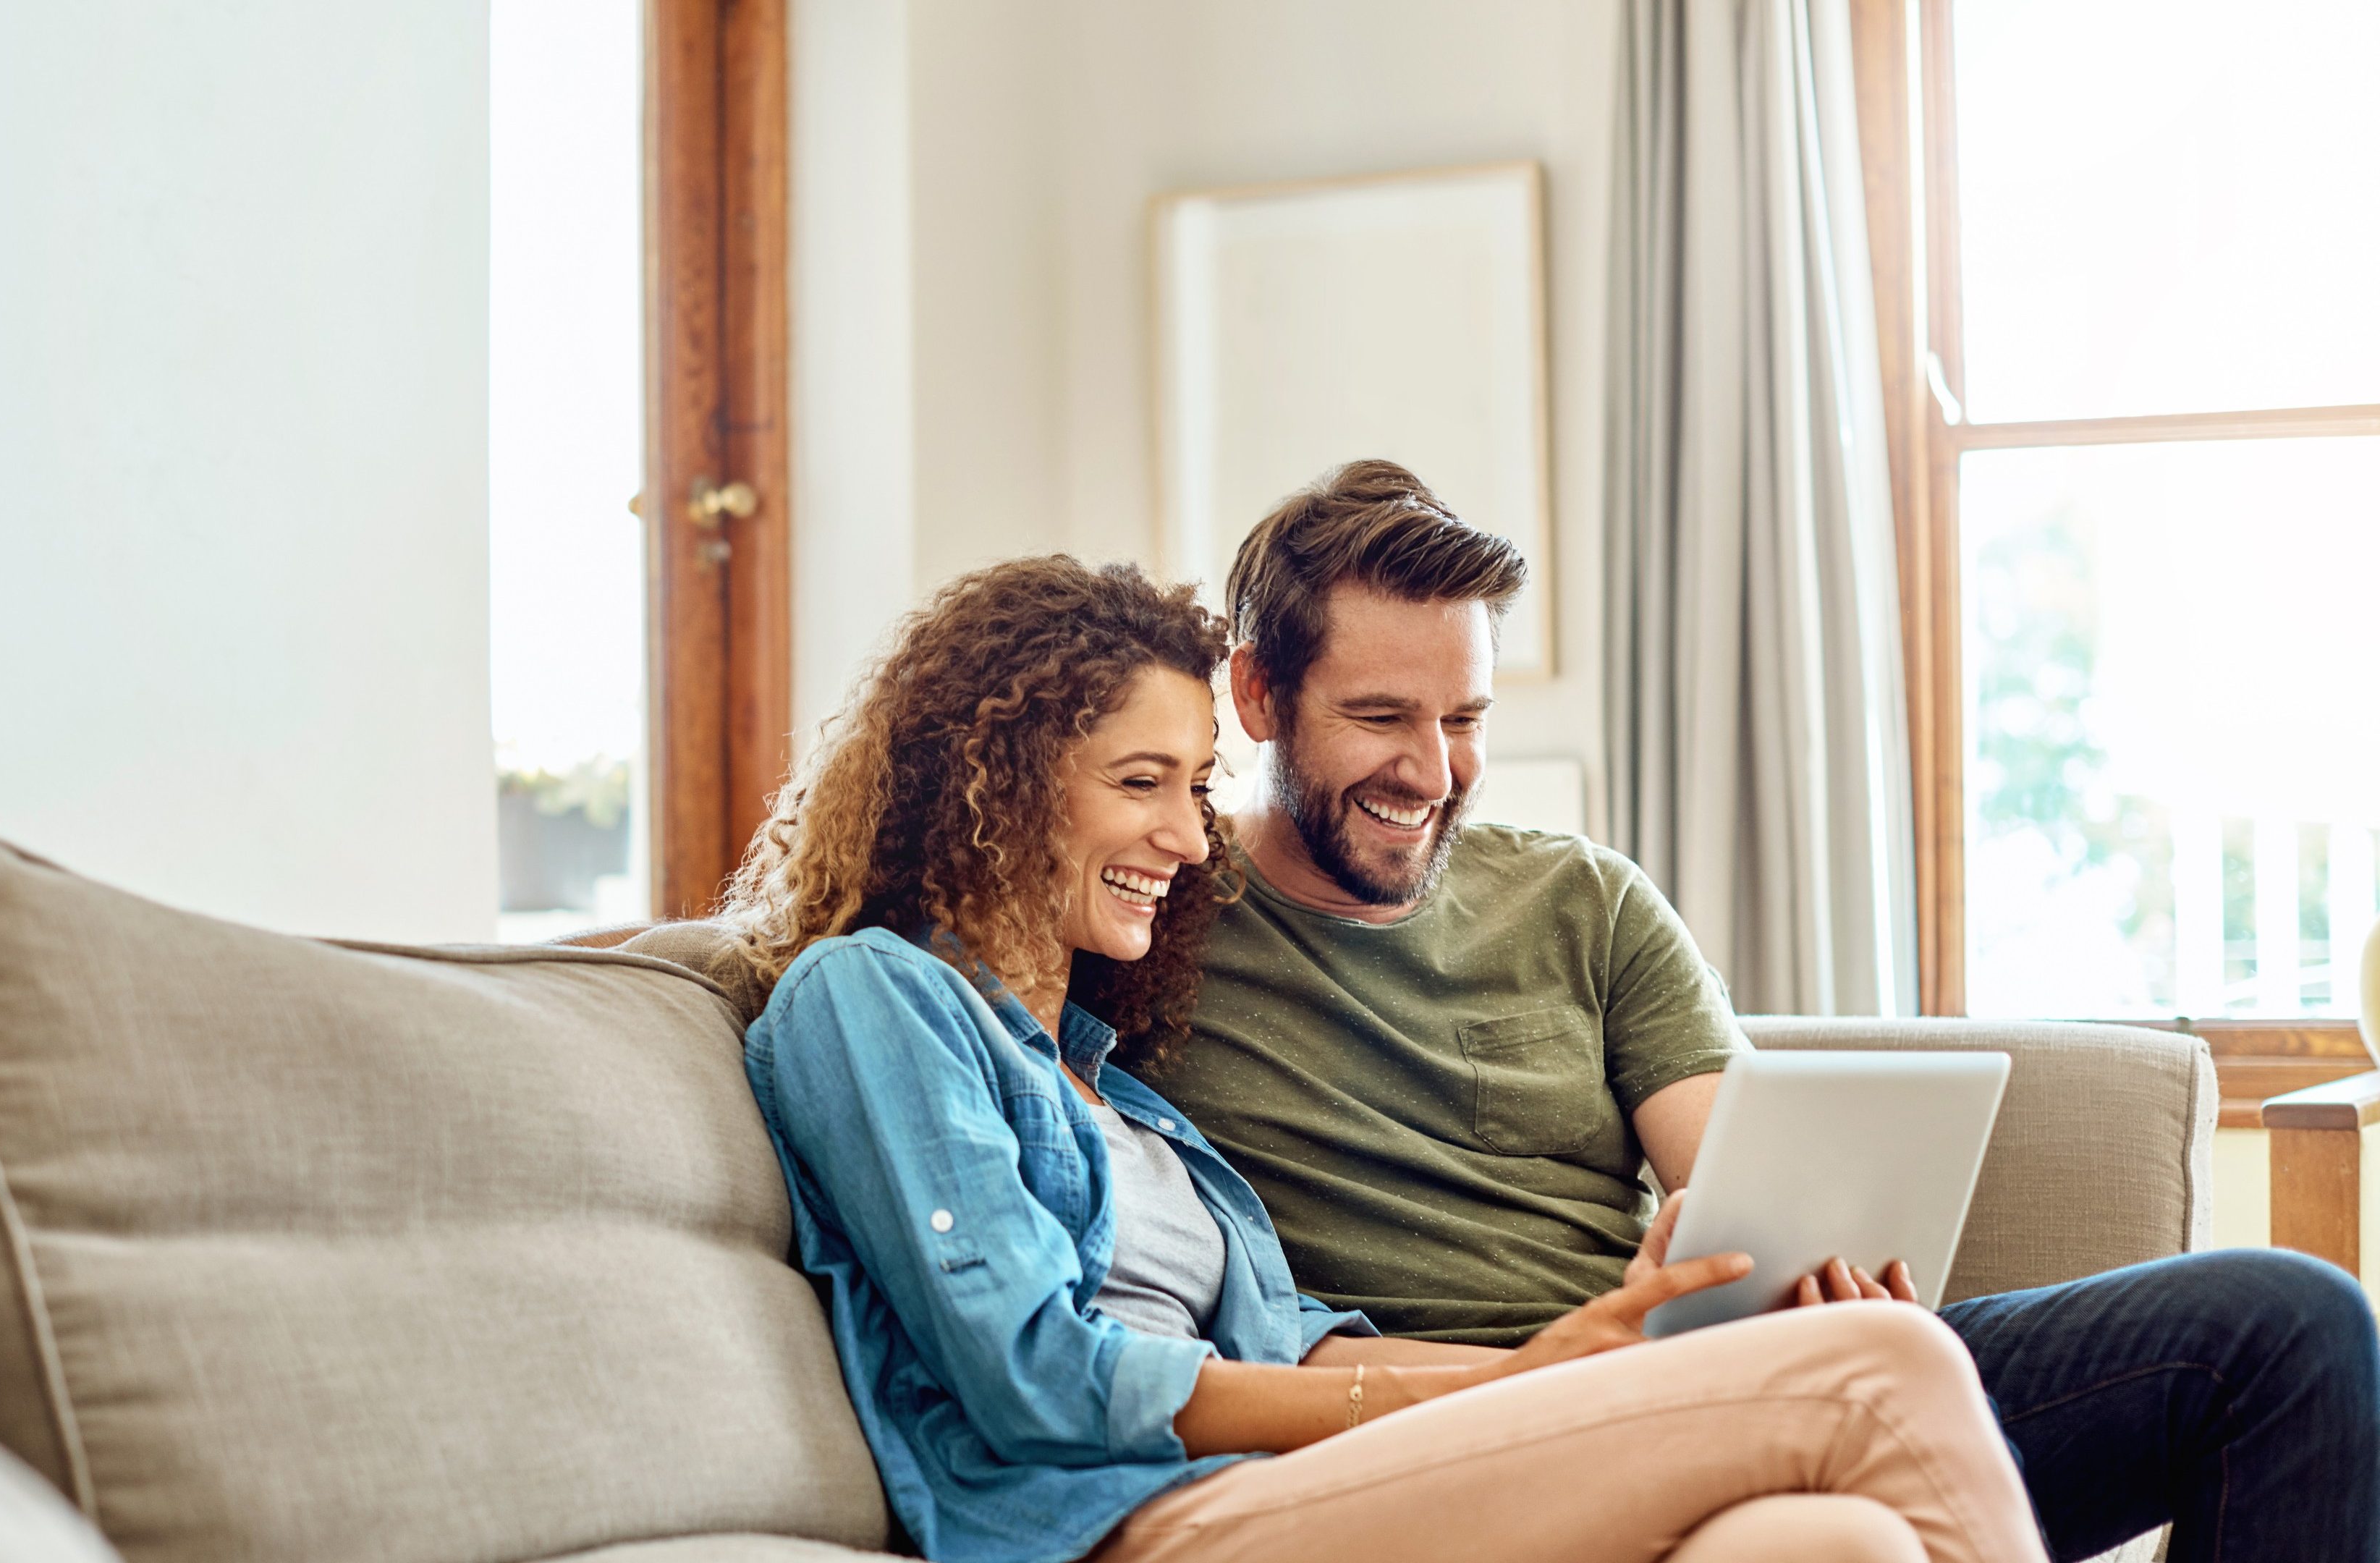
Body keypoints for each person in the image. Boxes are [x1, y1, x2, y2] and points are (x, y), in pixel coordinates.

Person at [1141, 458, 2380, 1563]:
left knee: (2289, 1327)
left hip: (1742, 1375)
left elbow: (1743, 1188)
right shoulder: (1148, 932)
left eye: (1465, 719)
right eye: (1380, 718)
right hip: (1474, 1434)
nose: (1433, 769)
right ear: (1257, 696)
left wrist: (1821, 1272)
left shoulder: (1580, 902)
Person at [720, 554, 2048, 1563]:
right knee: (1894, 1364)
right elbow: (1039, 1378)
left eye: (1195, 788)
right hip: (1120, 1526)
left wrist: (1579, 1364)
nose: (1191, 841)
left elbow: (1289, 1346)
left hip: (1264, 1490)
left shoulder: (1112, 1081)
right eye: (1142, 783)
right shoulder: (872, 999)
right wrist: (1473, 1398)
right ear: (995, 780)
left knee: (1828, 1545)